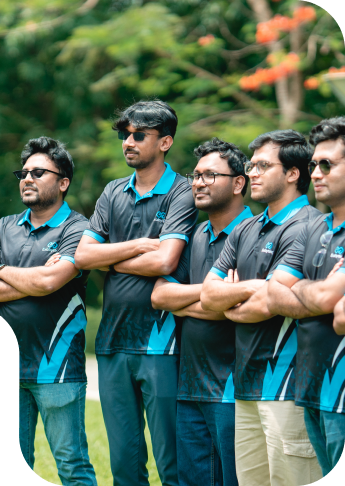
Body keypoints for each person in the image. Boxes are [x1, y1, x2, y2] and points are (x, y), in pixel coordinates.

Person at [74, 100, 197, 486]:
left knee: (172, 463)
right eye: (125, 135)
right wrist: (140, 245)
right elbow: (82, 256)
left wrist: (109, 258)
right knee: (124, 466)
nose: (128, 142)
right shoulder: (113, 191)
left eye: (139, 135)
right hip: (112, 342)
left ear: (165, 142)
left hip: (163, 345)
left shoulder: (182, 191)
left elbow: (165, 261)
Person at [0, 136, 97, 486]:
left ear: (63, 182)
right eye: (23, 173)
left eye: (38, 173)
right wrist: (36, 277)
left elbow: (50, 282)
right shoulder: (4, 226)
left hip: (57, 367)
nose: (27, 178)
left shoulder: (79, 229)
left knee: (72, 466)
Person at [201, 129, 322, 485]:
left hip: (288, 387)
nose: (252, 173)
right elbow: (208, 295)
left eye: (263, 166)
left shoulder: (309, 226)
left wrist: (234, 297)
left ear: (293, 173)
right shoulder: (246, 228)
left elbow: (269, 302)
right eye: (251, 165)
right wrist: (253, 290)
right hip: (246, 386)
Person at [151, 138, 252, 486]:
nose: (198, 183)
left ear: (238, 183)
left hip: (234, 388)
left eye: (210, 175)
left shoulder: (254, 234)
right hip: (190, 385)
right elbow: (160, 296)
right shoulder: (194, 235)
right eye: (195, 175)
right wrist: (215, 295)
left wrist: (190, 302)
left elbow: (242, 307)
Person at [267, 117, 345, 476]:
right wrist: (315, 292)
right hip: (311, 390)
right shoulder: (314, 226)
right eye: (313, 165)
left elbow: (330, 302)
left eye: (327, 164)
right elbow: (273, 292)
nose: (315, 173)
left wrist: (299, 287)